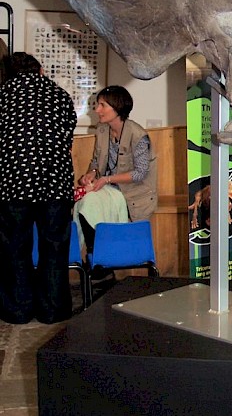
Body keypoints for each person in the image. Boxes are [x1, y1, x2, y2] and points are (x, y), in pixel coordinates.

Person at [0, 52, 76, 324]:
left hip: (12, 184)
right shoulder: (60, 96)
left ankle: (17, 310)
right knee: (54, 247)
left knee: (14, 248)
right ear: (40, 70)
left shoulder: (3, 95)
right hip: (55, 183)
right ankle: (53, 310)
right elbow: (68, 138)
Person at [76, 86, 157, 253]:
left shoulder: (138, 135)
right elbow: (96, 161)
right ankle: (96, 255)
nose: (97, 110)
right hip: (109, 189)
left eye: (102, 105)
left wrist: (107, 179)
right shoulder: (102, 129)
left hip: (134, 195)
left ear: (118, 107)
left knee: (89, 203)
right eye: (97, 105)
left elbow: (140, 173)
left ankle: (100, 256)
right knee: (85, 202)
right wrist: (91, 174)